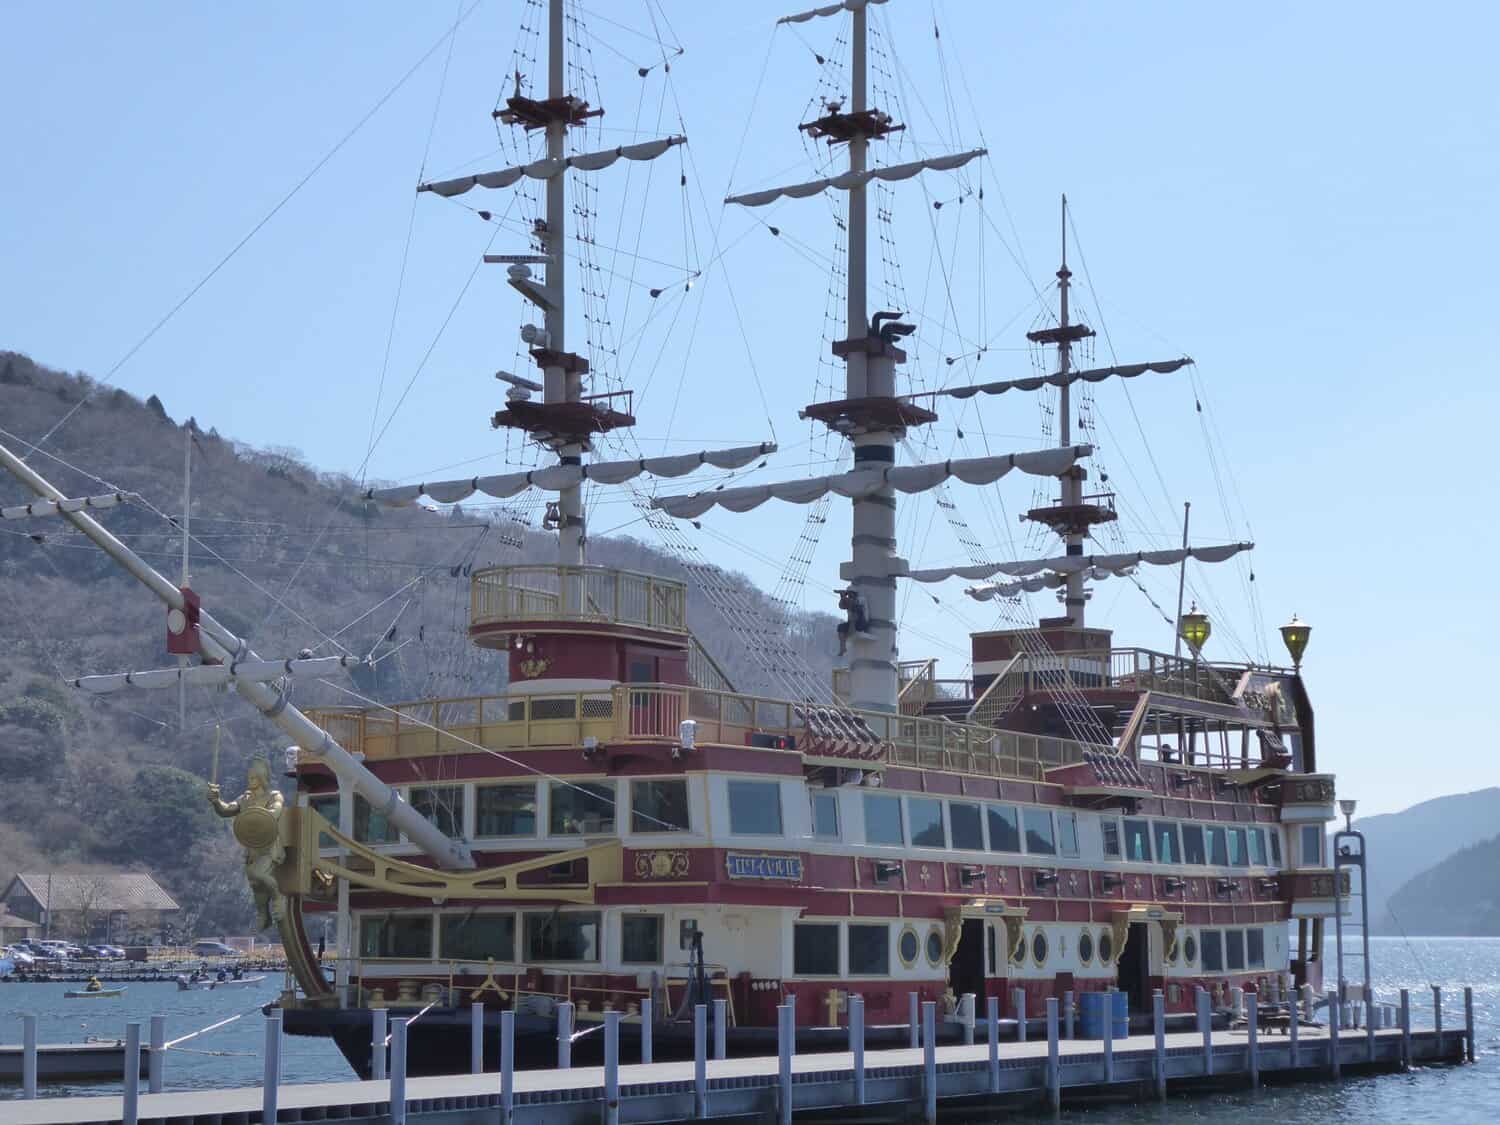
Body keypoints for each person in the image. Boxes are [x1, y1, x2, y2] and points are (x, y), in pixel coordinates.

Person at [207, 758, 287, 930]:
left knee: (259, 873)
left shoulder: (274, 796)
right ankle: (263, 915)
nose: (249, 781)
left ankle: (278, 898)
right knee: (256, 885)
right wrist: (216, 801)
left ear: (261, 778)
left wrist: (259, 815)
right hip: (252, 847)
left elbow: (275, 811)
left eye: (253, 778)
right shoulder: (244, 798)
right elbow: (226, 810)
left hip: (269, 846)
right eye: (249, 777)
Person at [835, 587, 870, 655]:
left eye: (850, 594)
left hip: (862, 623)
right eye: (848, 594)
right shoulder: (847, 601)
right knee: (840, 627)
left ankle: (852, 628)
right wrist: (842, 597)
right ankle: (843, 647)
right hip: (852, 623)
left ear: (855, 594)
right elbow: (841, 606)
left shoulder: (861, 599)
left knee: (856, 608)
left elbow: (853, 603)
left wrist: (843, 596)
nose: (849, 595)